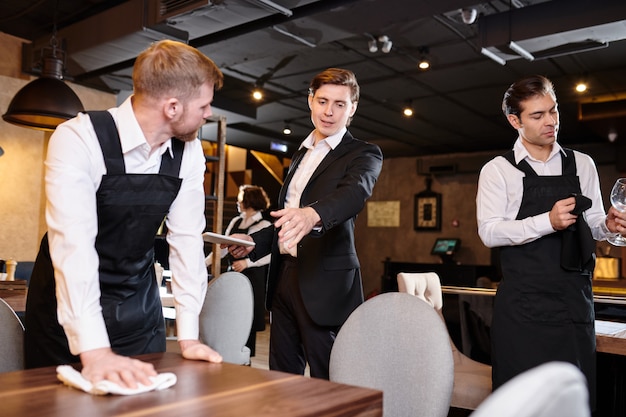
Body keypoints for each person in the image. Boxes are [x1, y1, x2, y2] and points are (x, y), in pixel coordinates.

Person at [24, 39, 224, 388]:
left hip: (138, 308)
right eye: (204, 105)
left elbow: (187, 241)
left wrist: (189, 336)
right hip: (66, 312)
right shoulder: (78, 138)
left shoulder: (189, 152)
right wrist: (95, 349)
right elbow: (73, 249)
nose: (208, 113)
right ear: (172, 107)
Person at [476, 74, 626, 408]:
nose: (551, 122)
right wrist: (547, 221)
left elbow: (593, 223)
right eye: (538, 115)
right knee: (519, 407)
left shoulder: (582, 163)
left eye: (554, 111)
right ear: (515, 121)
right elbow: (489, 231)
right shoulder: (498, 171)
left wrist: (612, 227)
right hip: (522, 312)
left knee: (572, 403)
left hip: (574, 303)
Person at [227, 68, 383, 379]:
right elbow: (288, 217)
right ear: (310, 101)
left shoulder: (363, 153)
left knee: (330, 379)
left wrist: (313, 214)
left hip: (325, 283)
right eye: (323, 100)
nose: (329, 111)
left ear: (352, 107)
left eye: (340, 104)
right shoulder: (302, 153)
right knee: (282, 375)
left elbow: (353, 194)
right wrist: (251, 245)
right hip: (283, 276)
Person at [205, 184, 272, 355]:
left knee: (246, 318)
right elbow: (224, 248)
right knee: (229, 315)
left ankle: (245, 359)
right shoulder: (236, 221)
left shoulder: (264, 223)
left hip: (253, 278)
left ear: (249, 201)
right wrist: (203, 263)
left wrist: (247, 263)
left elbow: (270, 254)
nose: (238, 202)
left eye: (241, 199)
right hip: (234, 275)